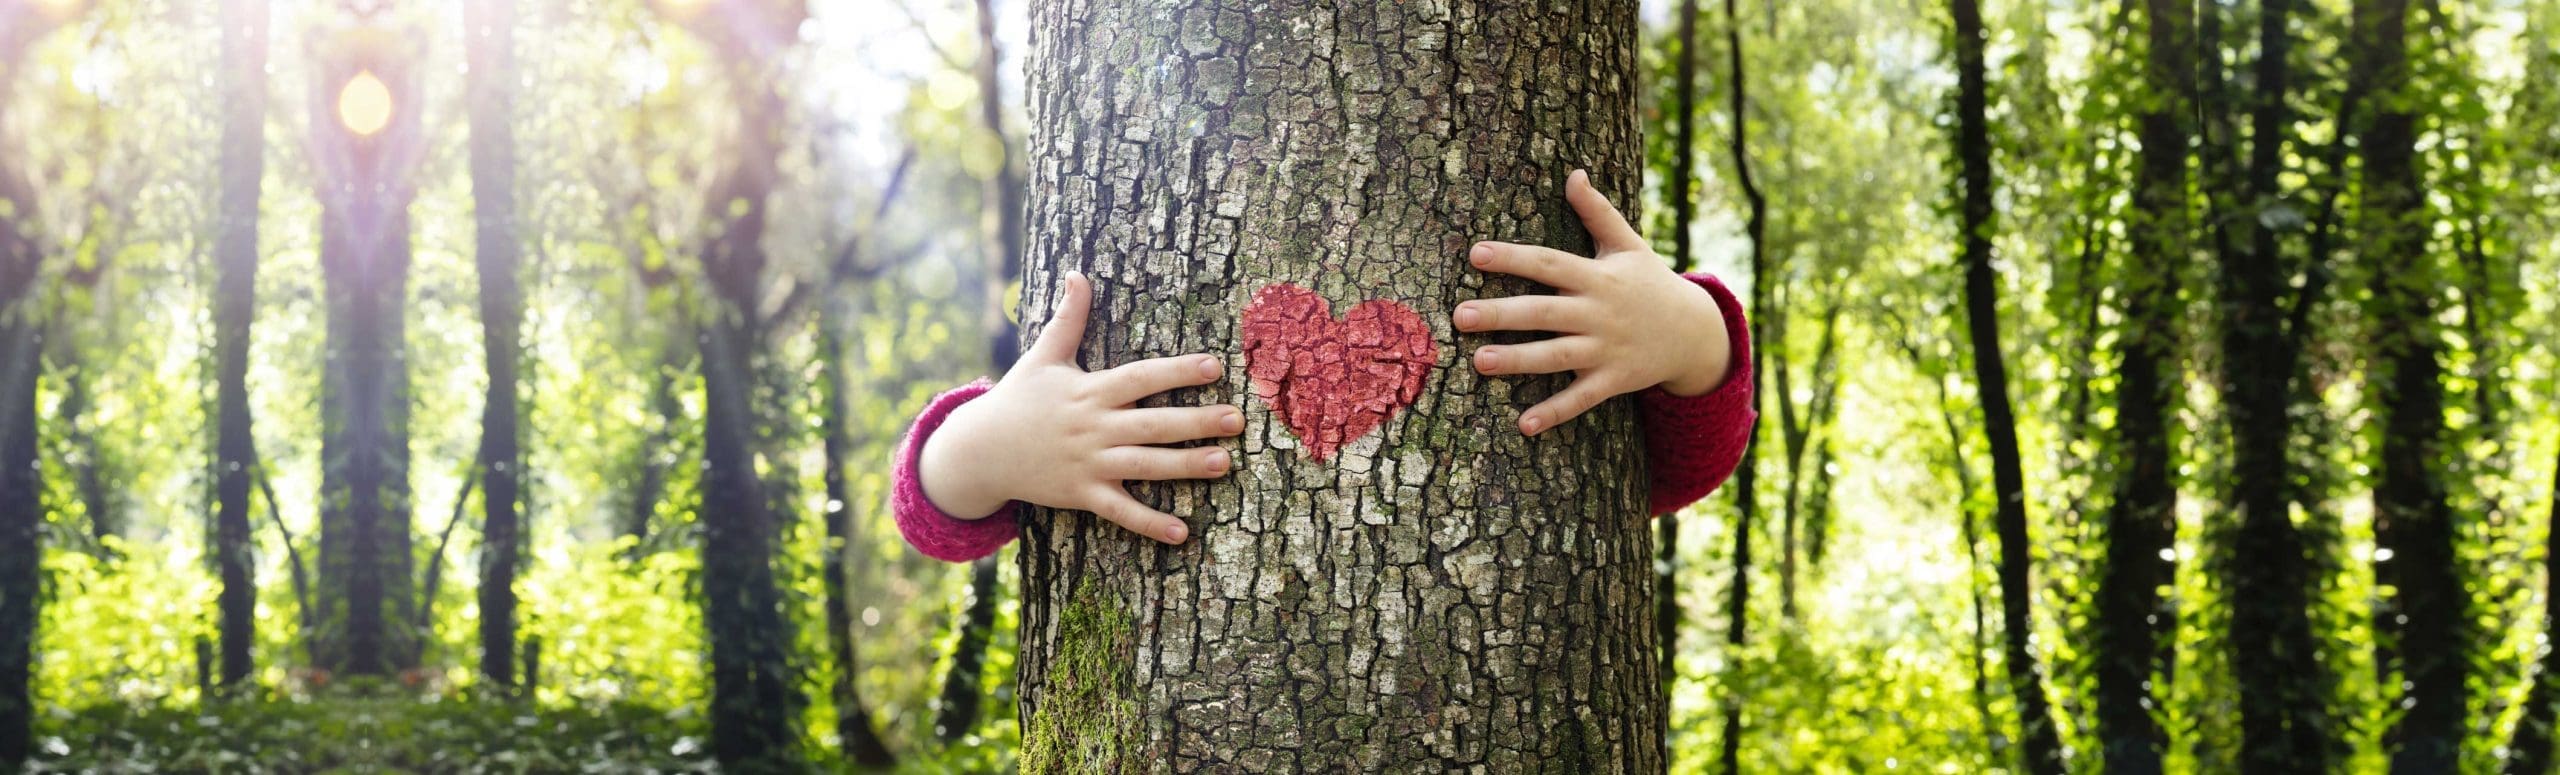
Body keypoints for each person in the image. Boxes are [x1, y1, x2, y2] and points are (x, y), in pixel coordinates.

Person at [893, 170, 1757, 562]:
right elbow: (930, 508)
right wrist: (987, 447)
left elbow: (1680, 466)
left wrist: (1689, 329)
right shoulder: (1063, 428)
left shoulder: (1603, 345)